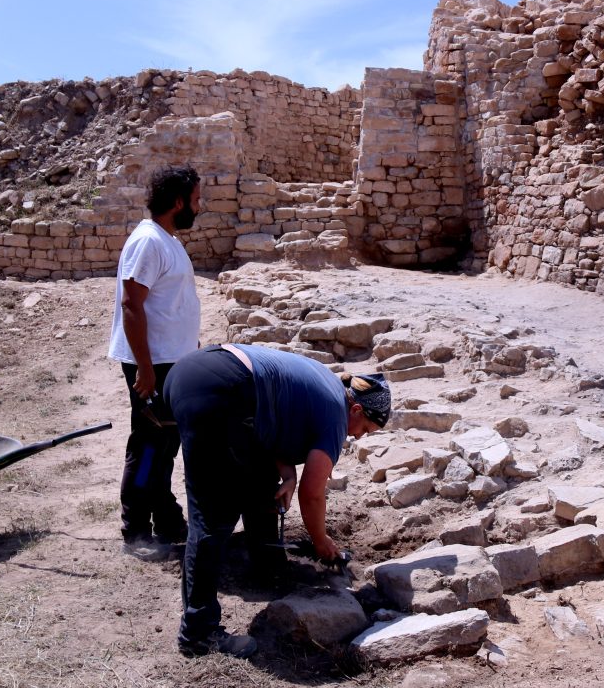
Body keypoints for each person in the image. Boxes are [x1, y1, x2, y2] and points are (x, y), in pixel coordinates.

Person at [162, 343, 391, 659]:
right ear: (355, 410)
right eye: (365, 428)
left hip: (195, 372)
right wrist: (320, 540)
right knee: (213, 515)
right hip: (221, 391)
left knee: (258, 479)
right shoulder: (335, 418)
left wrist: (287, 471)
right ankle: (198, 633)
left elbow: (269, 420)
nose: (359, 437)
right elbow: (312, 494)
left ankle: (267, 569)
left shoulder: (324, 387)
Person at [107, 166, 201, 561]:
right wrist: (144, 369)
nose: (200, 206)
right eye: (196, 199)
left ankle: (166, 519)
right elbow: (132, 304)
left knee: (166, 445)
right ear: (178, 202)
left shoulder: (167, 240)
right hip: (154, 365)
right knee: (148, 447)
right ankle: (135, 529)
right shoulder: (148, 242)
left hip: (172, 363)